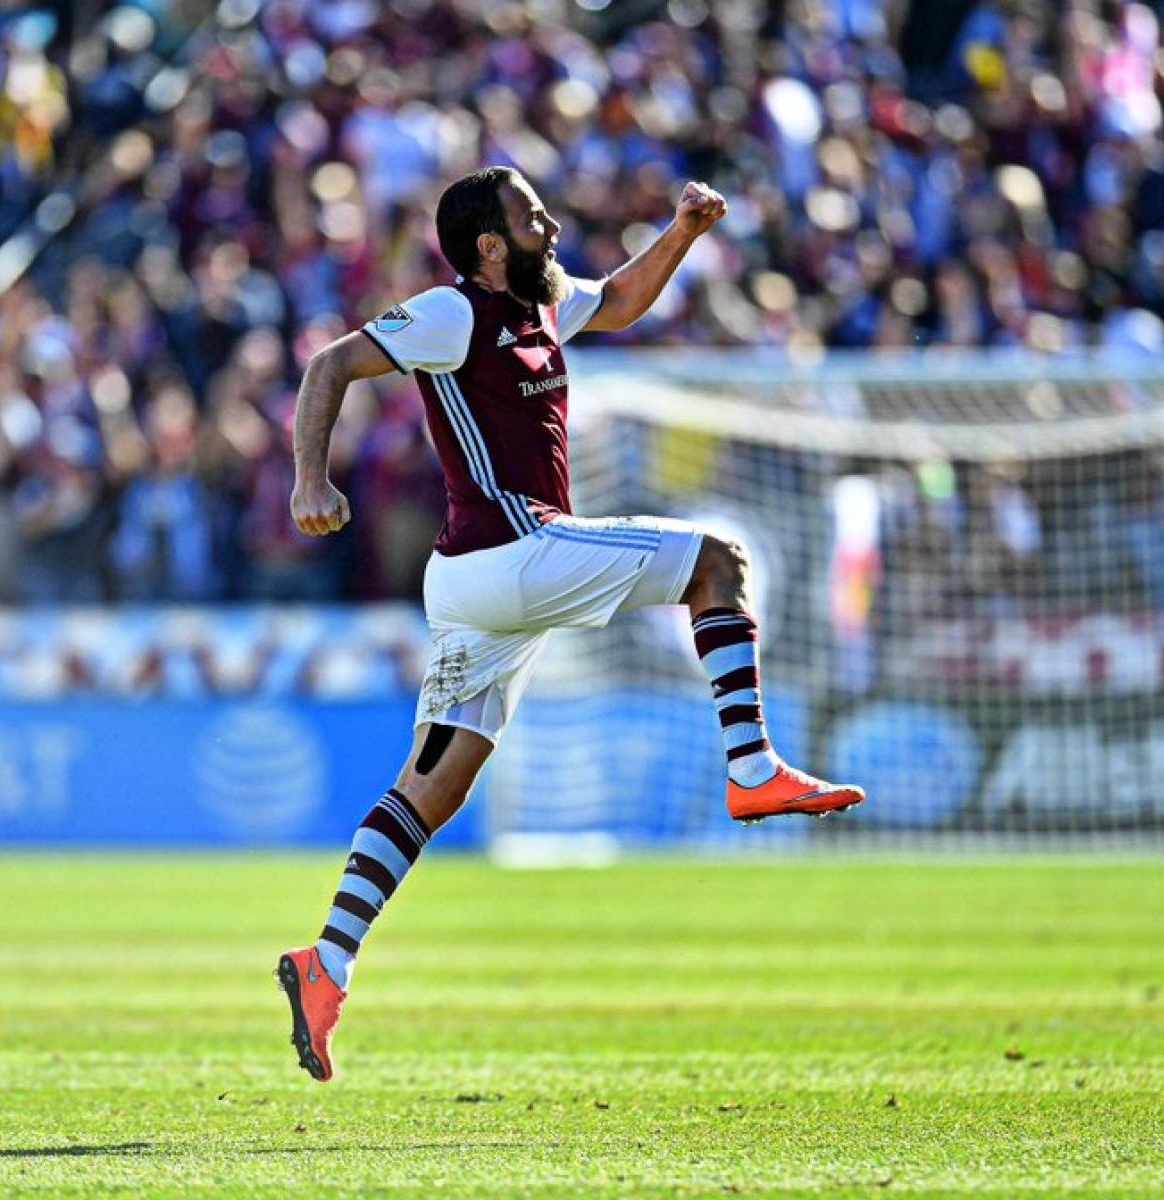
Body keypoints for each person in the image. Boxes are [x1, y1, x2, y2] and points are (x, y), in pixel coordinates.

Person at [275, 166, 864, 1082]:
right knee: (718, 562)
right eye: (530, 213)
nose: (551, 220)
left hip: (478, 585)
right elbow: (328, 364)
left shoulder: (547, 302)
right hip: (513, 554)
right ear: (489, 245)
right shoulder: (451, 311)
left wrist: (685, 230)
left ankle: (328, 961)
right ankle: (750, 770)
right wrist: (311, 478)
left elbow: (622, 300)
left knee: (431, 788)